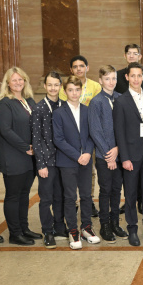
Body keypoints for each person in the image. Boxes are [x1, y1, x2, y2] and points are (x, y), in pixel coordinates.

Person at [54, 76, 100, 250]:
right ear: (65, 92)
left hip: (86, 160)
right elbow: (58, 139)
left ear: (81, 91)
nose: (74, 93)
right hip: (67, 161)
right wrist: (77, 155)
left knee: (87, 195)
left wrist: (87, 153)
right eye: (71, 90)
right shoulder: (58, 113)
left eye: (77, 90)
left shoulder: (87, 110)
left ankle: (86, 227)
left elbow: (91, 134)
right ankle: (73, 230)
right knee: (70, 197)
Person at [113, 62, 143, 246]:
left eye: (139, 76)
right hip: (131, 154)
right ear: (127, 77)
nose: (136, 79)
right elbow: (119, 132)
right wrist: (124, 158)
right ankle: (132, 228)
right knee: (130, 193)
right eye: (133, 76)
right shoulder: (121, 101)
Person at [0, 67, 39, 246]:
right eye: (14, 80)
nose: (18, 83)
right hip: (13, 155)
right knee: (13, 195)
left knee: (24, 195)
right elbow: (5, 130)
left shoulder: (29, 100)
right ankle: (14, 233)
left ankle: (24, 228)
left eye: (20, 79)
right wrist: (25, 147)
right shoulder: (5, 103)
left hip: (30, 156)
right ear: (7, 83)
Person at [59, 55, 101, 219]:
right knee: (70, 175)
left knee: (89, 171)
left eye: (81, 66)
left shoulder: (95, 86)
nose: (78, 69)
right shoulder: (66, 87)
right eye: (75, 66)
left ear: (87, 68)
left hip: (89, 135)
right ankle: (73, 204)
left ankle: (88, 200)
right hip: (70, 139)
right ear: (71, 70)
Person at [89, 65, 126, 243]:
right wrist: (108, 155)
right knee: (105, 190)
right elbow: (95, 132)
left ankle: (114, 222)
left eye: (113, 78)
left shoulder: (120, 98)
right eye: (107, 79)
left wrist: (118, 149)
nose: (111, 82)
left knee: (117, 190)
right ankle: (104, 224)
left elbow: (124, 128)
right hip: (104, 157)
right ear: (100, 81)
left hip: (119, 154)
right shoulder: (96, 102)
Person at [31, 71, 66, 248]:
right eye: (50, 85)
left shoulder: (65, 106)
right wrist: (41, 164)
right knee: (46, 198)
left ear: (60, 86)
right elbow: (36, 140)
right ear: (45, 86)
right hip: (47, 162)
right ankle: (48, 230)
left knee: (61, 196)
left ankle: (60, 226)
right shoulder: (38, 109)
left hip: (63, 160)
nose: (53, 88)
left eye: (56, 84)